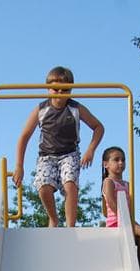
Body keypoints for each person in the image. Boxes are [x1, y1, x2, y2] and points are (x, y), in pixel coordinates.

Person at [13, 66, 104, 228]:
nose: (60, 93)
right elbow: (24, 136)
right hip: (46, 155)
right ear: (48, 89)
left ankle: (70, 225)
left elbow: (98, 127)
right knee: (44, 187)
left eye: (65, 90)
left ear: (71, 90)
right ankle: (53, 218)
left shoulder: (76, 108)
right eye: (56, 89)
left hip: (69, 153)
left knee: (70, 184)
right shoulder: (41, 109)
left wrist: (91, 149)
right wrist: (19, 165)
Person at [101, 146, 140, 271]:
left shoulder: (128, 184)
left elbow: (129, 208)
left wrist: (132, 223)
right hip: (116, 222)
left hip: (127, 220)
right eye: (116, 160)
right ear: (106, 164)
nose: (121, 163)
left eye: (123, 160)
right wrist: (128, 222)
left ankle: (137, 268)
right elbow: (111, 202)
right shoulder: (108, 182)